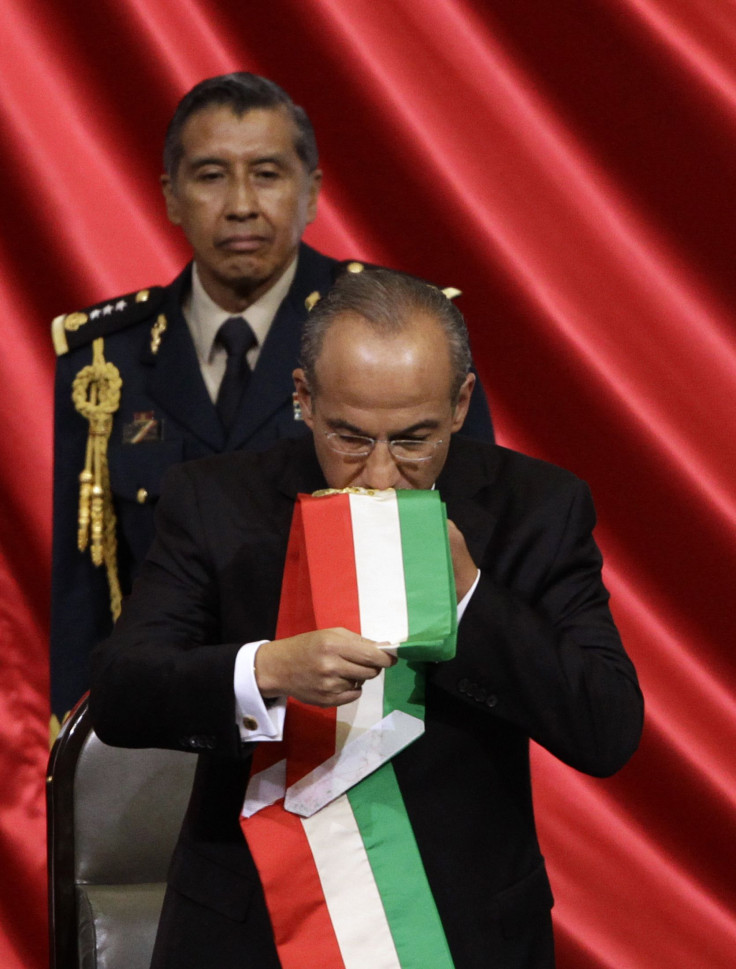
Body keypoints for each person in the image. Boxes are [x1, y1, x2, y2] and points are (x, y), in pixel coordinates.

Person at [90, 268, 643, 969]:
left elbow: (608, 727)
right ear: (304, 399)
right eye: (350, 437)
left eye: (414, 440)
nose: (380, 475)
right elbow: (120, 691)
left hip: (459, 929)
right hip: (252, 930)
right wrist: (267, 670)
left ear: (460, 405)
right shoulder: (216, 501)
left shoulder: (537, 507)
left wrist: (471, 595)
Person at [50, 73, 494, 726]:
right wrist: (78, 746)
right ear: (171, 196)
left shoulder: (404, 333)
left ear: (311, 191)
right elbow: (83, 589)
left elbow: (469, 543)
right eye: (210, 176)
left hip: (366, 731)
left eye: (266, 174)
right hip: (173, 732)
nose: (240, 205)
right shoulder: (103, 360)